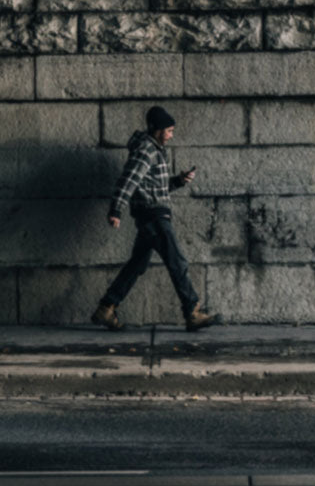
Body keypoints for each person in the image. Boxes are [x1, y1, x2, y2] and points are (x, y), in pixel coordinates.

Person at [91, 105, 220, 332]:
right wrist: (116, 210)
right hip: (153, 217)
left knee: (136, 265)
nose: (171, 135)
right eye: (169, 130)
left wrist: (179, 181)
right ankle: (192, 311)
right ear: (157, 129)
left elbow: (155, 187)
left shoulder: (154, 150)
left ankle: (106, 307)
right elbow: (128, 180)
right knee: (177, 261)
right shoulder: (146, 151)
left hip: (151, 214)